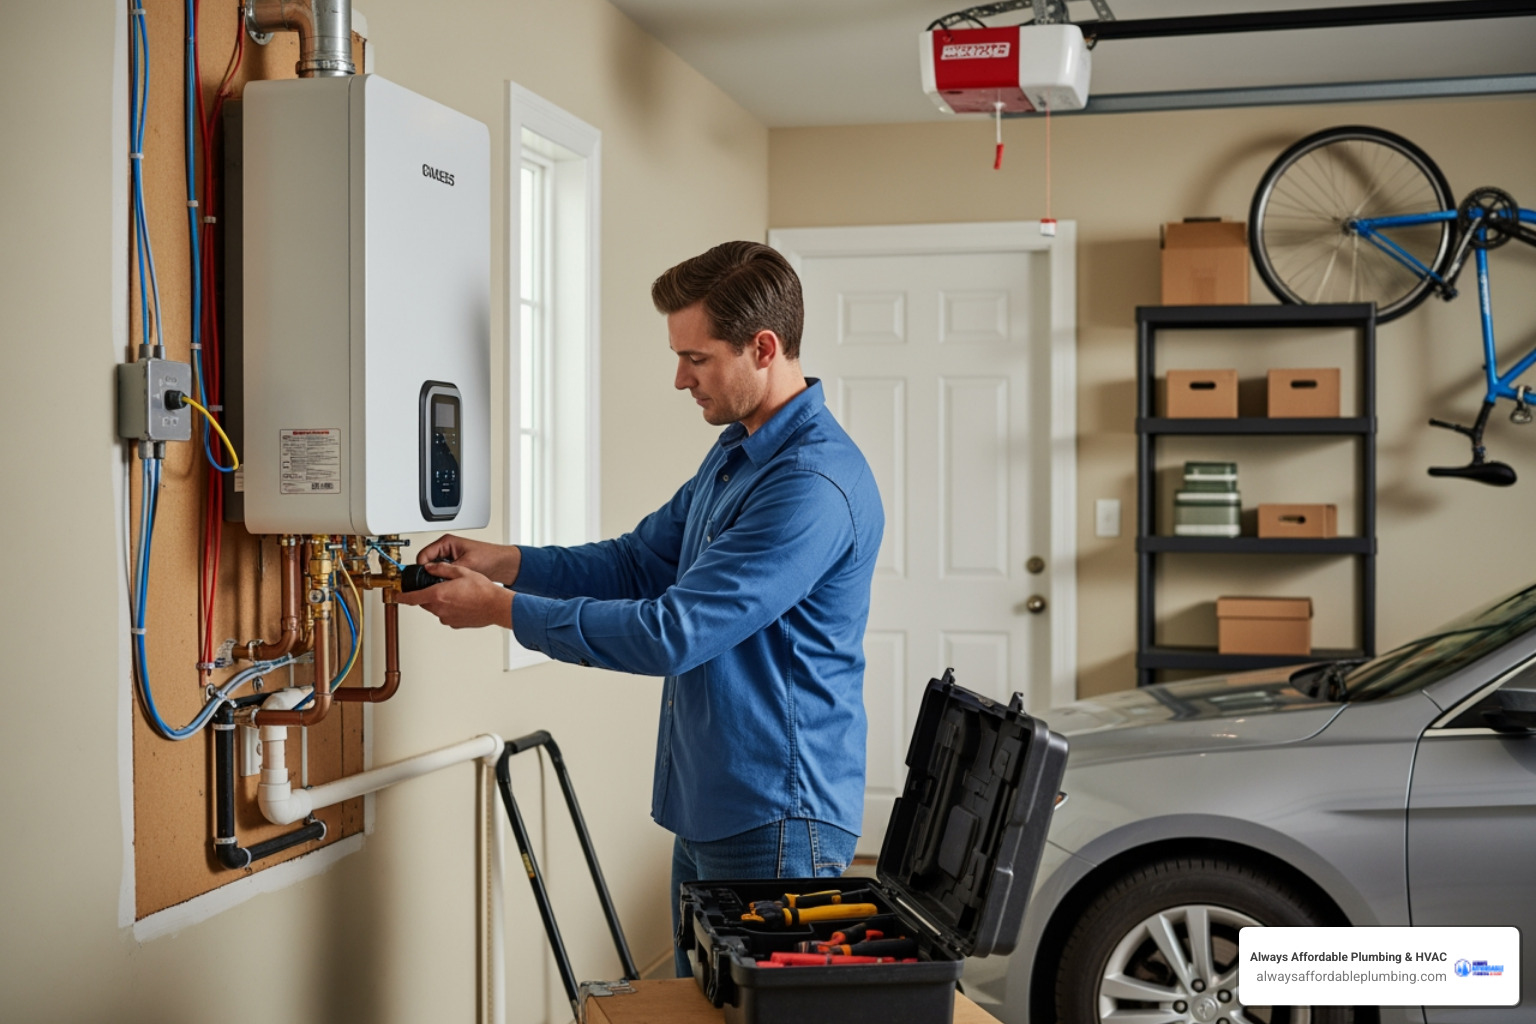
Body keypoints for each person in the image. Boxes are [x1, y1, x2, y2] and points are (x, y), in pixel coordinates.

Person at [396, 241, 884, 976]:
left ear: (764, 347)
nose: (680, 378)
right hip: (715, 798)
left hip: (777, 813)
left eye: (697, 358)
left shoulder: (809, 485)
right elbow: (636, 561)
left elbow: (672, 633)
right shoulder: (735, 453)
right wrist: (506, 561)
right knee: (699, 1004)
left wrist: (503, 611)